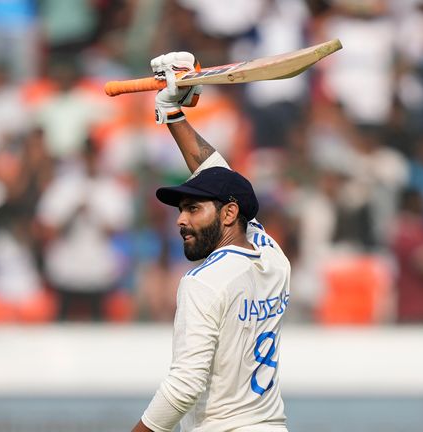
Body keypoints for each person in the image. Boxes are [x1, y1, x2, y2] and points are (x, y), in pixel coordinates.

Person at [132, 52, 291, 432]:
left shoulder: (204, 282)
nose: (181, 221)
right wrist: (172, 114)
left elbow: (184, 388)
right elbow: (217, 173)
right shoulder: (273, 257)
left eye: (192, 209)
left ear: (229, 214)